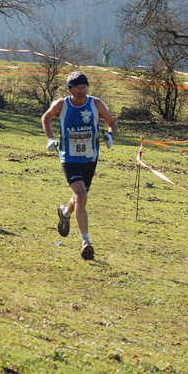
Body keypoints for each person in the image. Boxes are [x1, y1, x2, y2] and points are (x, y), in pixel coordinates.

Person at [42, 71, 118, 260]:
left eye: (84, 88)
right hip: (69, 157)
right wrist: (51, 139)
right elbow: (46, 118)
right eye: (78, 88)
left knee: (80, 198)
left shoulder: (96, 103)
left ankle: (65, 213)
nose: (82, 92)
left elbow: (112, 123)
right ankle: (86, 242)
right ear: (70, 90)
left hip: (90, 158)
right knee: (81, 195)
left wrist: (110, 136)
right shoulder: (61, 105)